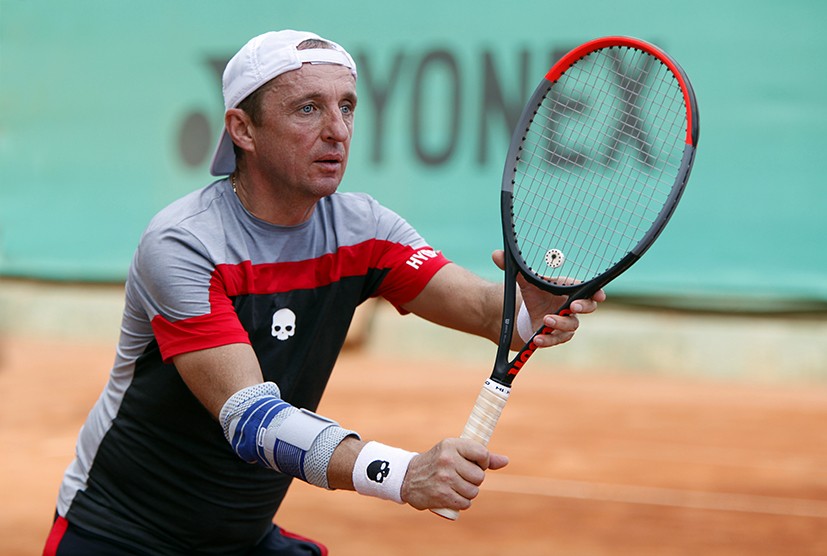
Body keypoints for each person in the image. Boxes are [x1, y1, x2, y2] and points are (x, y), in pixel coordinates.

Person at [43, 30, 605, 556]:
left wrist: (530, 309)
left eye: (347, 106)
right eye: (308, 108)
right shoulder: (185, 244)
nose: (337, 130)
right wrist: (403, 474)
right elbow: (252, 420)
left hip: (241, 538)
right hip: (118, 534)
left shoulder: (365, 229)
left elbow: (488, 313)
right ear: (243, 129)